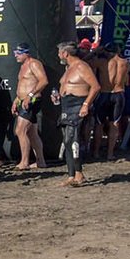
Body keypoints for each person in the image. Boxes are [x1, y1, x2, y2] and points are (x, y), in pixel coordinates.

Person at [55, 43, 100, 187]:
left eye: (59, 53)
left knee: (72, 140)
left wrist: (86, 104)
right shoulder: (68, 68)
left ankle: (79, 173)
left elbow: (96, 86)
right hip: (66, 105)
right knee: (67, 141)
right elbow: (65, 85)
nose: (58, 56)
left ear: (65, 54)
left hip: (78, 104)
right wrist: (57, 96)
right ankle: (71, 174)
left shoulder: (82, 66)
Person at [10, 46, 48, 170]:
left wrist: (30, 95)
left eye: (18, 53)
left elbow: (43, 81)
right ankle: (41, 161)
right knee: (32, 133)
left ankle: (24, 162)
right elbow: (23, 85)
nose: (15, 56)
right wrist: (17, 100)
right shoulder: (22, 66)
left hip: (32, 100)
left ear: (26, 53)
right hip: (23, 100)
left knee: (20, 131)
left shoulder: (34, 64)